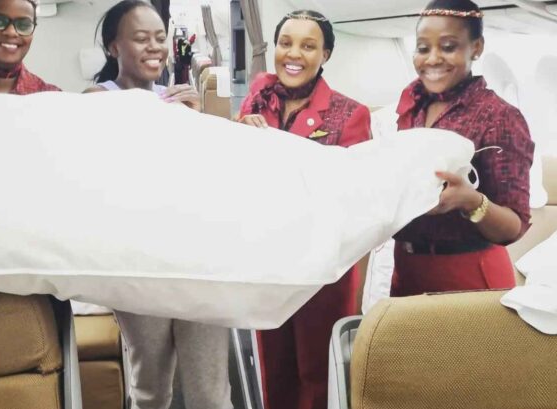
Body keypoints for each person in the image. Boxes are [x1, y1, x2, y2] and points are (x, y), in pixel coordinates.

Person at [84, 2, 230, 409]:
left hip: (195, 260)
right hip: (137, 263)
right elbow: (98, 179)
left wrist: (196, 122)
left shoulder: (178, 100)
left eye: (160, 38)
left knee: (210, 393)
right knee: (150, 387)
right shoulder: (96, 100)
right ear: (113, 47)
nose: (154, 47)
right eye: (141, 38)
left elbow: (207, 181)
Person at [238, 10, 371, 409]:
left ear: (325, 54)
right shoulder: (259, 99)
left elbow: (354, 198)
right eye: (285, 43)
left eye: (308, 46)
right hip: (269, 262)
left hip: (321, 267)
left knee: (317, 375)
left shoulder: (350, 114)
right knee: (274, 370)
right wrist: (238, 134)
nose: (293, 54)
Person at [391, 0, 534, 297]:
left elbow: (514, 226)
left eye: (448, 47)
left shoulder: (499, 116)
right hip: (407, 269)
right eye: (422, 48)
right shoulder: (413, 108)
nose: (432, 59)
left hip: (468, 273)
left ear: (476, 48)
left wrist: (470, 201)